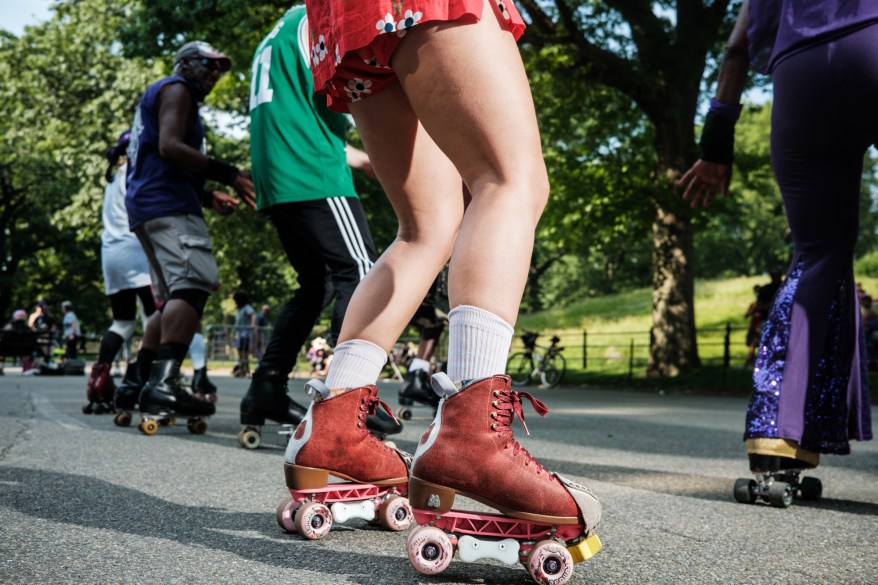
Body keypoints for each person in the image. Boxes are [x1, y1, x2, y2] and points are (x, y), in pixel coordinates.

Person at [283, 0, 601, 550]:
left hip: (347, 25)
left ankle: (333, 424)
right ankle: (472, 437)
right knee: (508, 181)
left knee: (425, 230)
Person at [679, 0, 874, 500]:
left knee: (817, 255)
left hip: (803, 74)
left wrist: (716, 142)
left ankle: (777, 447)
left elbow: (738, 46)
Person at [240, 6, 388, 437]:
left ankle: (266, 385)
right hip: (313, 172)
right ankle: (346, 396)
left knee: (316, 284)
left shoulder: (283, 30)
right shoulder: (326, 15)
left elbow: (299, 115)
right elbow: (364, 89)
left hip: (279, 173)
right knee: (361, 271)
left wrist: (361, 159)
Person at [126, 40, 255, 421]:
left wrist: (205, 194)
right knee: (195, 284)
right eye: (207, 64)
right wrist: (230, 174)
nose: (213, 74)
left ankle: (136, 383)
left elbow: (158, 160)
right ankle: (163, 384)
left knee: (170, 299)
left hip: (150, 206)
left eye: (219, 69)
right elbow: (169, 147)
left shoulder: (165, 94)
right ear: (184, 64)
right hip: (167, 207)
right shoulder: (176, 89)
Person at [84, 129, 160, 414]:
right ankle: (142, 379)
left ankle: (99, 379)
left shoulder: (113, 178)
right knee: (158, 316)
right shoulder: (137, 171)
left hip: (111, 253)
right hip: (136, 250)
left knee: (124, 323)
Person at [232, 290, 256, 378]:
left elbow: (253, 314)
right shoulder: (239, 309)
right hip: (239, 335)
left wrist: (253, 324)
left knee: (244, 353)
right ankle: (243, 369)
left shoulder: (247, 307)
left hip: (245, 335)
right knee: (240, 353)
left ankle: (245, 369)